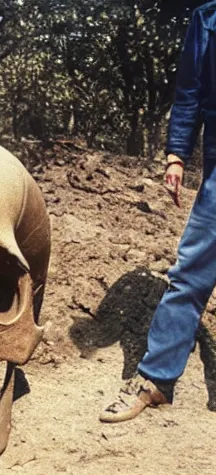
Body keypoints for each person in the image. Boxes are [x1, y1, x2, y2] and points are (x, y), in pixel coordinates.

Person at [100, 2, 216, 423]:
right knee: (190, 275)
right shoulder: (207, 18)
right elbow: (190, 92)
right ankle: (155, 382)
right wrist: (176, 156)